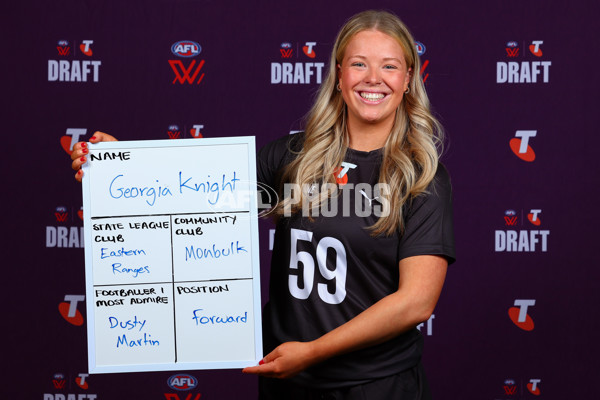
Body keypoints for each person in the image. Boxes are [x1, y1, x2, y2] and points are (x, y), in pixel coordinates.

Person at [71, 10, 454, 400]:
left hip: (377, 385)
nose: (373, 78)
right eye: (359, 64)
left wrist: (312, 353)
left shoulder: (421, 178)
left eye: (388, 66)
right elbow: (197, 196)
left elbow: (415, 303)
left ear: (407, 79)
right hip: (288, 381)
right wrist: (118, 168)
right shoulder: (292, 156)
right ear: (339, 76)